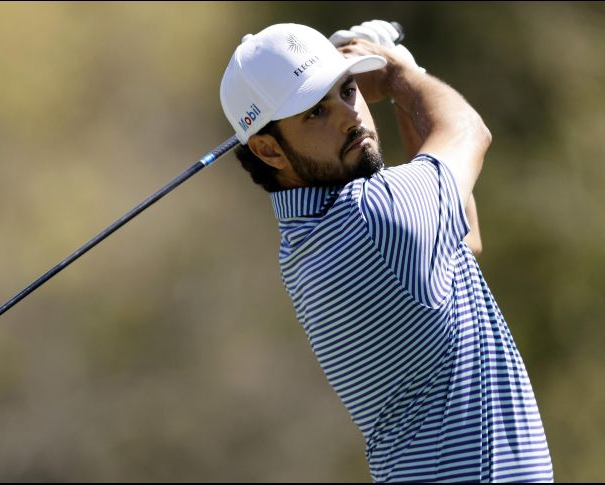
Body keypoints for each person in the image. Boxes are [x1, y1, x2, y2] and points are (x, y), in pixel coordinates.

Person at [219, 21, 553, 482]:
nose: (348, 115)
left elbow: (463, 237)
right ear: (268, 150)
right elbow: (468, 130)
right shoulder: (374, 221)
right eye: (315, 112)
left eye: (347, 89)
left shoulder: (305, 242)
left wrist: (405, 88)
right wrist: (399, 74)